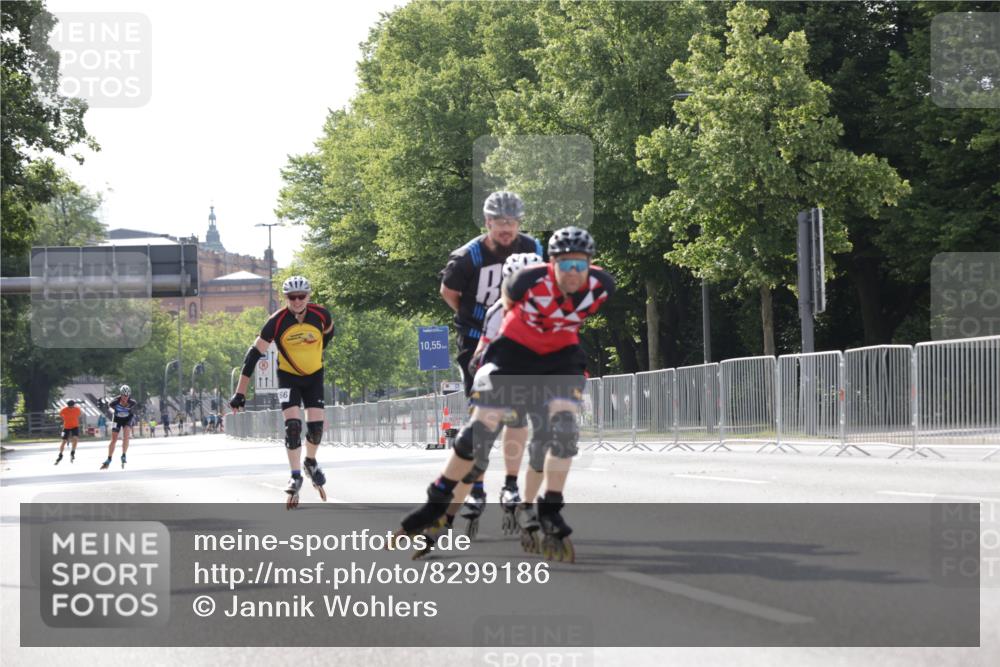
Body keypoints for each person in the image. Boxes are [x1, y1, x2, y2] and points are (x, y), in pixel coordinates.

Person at [396, 227, 614, 561]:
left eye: (580, 265)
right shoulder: (522, 286)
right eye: (565, 264)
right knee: (479, 436)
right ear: (550, 264)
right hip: (513, 352)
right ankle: (438, 506)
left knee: (564, 432)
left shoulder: (601, 287)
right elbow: (500, 323)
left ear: (591, 264)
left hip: (560, 357)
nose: (573, 272)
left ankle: (547, 506)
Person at [438, 191, 543, 531]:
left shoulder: (532, 248)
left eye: (511, 223)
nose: (506, 230)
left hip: (520, 338)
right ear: (488, 223)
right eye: (500, 224)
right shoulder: (468, 256)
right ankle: (476, 489)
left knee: (517, 413)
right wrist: (477, 318)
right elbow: (448, 292)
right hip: (477, 340)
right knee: (481, 417)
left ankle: (511, 486)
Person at [230, 275, 334, 508]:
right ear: (284, 297)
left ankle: (310, 461)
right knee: (294, 426)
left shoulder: (322, 315)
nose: (297, 301)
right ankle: (295, 474)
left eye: (301, 296)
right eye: (292, 297)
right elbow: (253, 355)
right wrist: (240, 393)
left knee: (316, 429)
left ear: (309, 296)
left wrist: (312, 354)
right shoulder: (276, 322)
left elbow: (327, 336)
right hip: (288, 377)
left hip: (314, 375)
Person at [102, 385, 138, 470]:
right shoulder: (114, 402)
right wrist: (108, 409)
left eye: (127, 396)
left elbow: (134, 412)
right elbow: (110, 408)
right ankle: (109, 458)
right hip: (117, 419)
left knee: (126, 437)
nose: (125, 397)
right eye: (123, 395)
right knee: (114, 439)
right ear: (120, 395)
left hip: (127, 419)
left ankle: (123, 455)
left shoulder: (132, 402)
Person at [55, 399, 82, 465]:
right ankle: (60, 454)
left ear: (73, 405)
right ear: (68, 406)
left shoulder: (77, 409)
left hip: (75, 426)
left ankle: (73, 451)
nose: (71, 408)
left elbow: (79, 415)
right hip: (66, 427)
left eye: (72, 406)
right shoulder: (64, 410)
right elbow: (60, 415)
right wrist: (63, 419)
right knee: (63, 441)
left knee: (75, 439)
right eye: (70, 406)